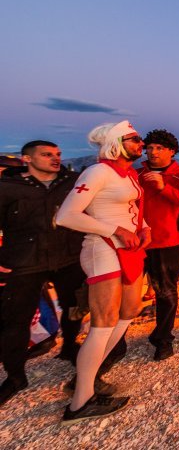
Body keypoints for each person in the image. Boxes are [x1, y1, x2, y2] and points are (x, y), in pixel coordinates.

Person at [56, 121, 150, 424]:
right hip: (103, 247)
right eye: (134, 139)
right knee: (104, 321)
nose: (141, 143)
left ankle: (91, 375)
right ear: (115, 142)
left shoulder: (128, 174)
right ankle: (80, 402)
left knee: (130, 309)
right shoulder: (97, 172)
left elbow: (132, 208)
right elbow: (66, 216)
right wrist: (116, 229)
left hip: (129, 248)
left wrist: (143, 227)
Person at [0, 140, 86, 407]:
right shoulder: (7, 188)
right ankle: (15, 375)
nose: (55, 158)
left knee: (74, 308)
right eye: (47, 155)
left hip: (68, 257)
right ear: (27, 159)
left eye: (58, 154)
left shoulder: (71, 183)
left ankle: (70, 346)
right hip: (25, 262)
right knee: (15, 320)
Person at [138, 129, 179, 361]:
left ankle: (163, 340)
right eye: (150, 147)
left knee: (165, 292)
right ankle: (115, 342)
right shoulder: (137, 174)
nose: (152, 152)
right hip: (135, 242)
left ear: (171, 151)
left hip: (166, 241)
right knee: (129, 293)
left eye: (159, 148)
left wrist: (165, 188)